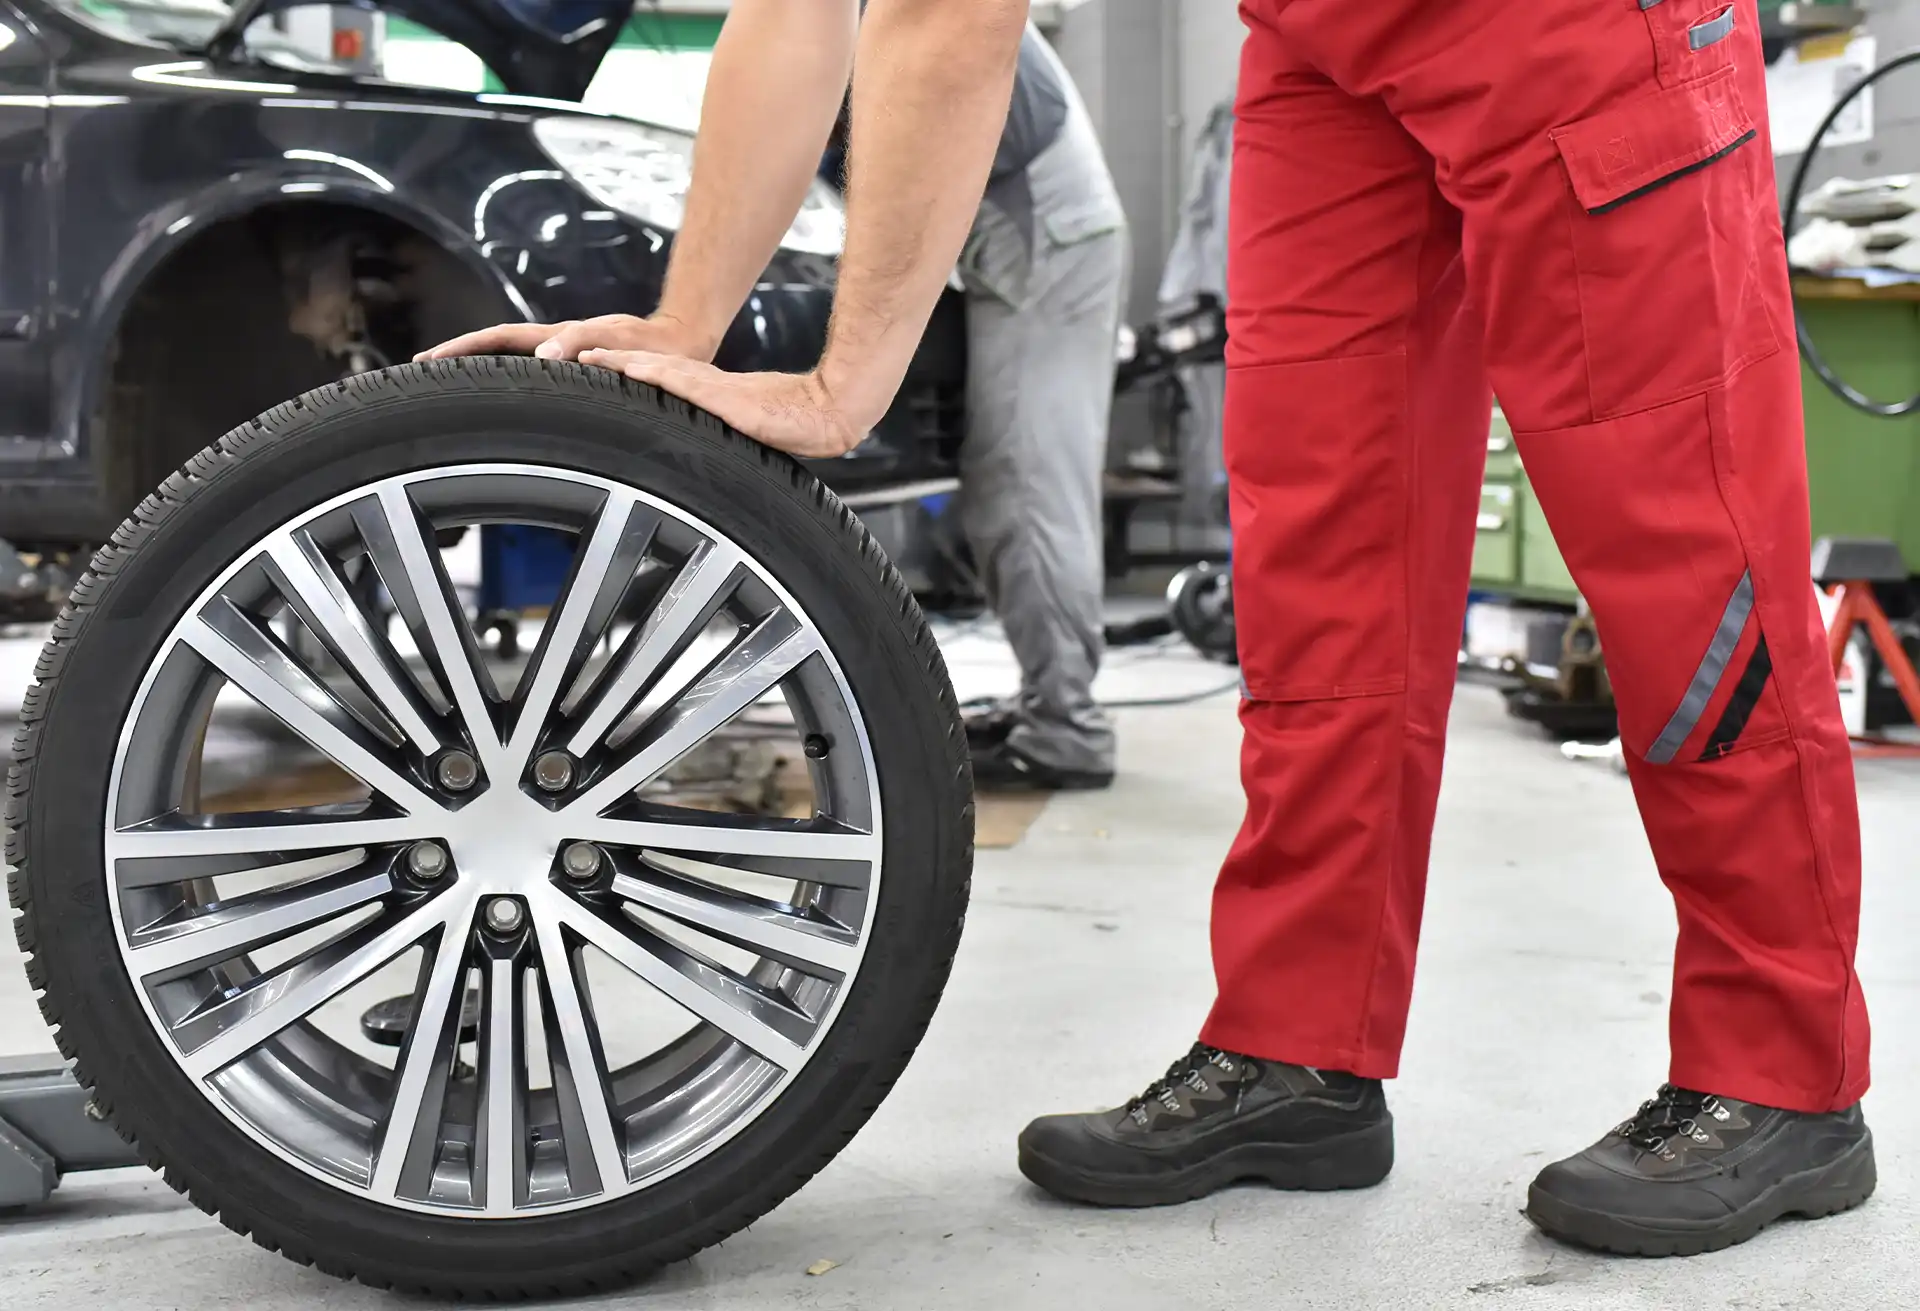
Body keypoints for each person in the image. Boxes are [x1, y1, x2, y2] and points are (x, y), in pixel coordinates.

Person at [424, 0, 1875, 1257]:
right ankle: (1301, 1050)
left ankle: (1786, 1070)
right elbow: (803, 14)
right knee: (1322, 561)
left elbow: (945, 17)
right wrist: (687, 325)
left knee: (1680, 544)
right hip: (1324, 44)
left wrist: (838, 384)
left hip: (1577, 37)